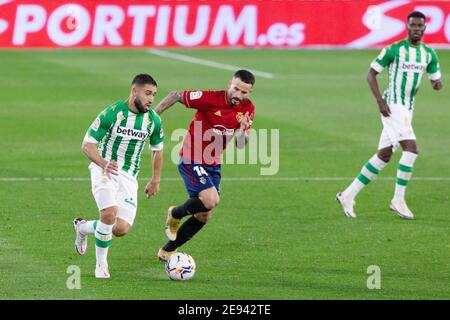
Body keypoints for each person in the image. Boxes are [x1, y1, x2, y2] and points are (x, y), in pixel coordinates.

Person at [337, 11, 442, 219]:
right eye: (413, 25)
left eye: (420, 26)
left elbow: (435, 79)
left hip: (408, 108)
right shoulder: (394, 50)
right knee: (411, 150)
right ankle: (398, 199)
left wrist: (436, 83)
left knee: (384, 155)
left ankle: (348, 195)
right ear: (407, 26)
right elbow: (371, 74)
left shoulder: (429, 54)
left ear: (425, 28)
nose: (416, 29)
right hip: (392, 106)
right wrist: (380, 101)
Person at [154, 70, 255, 261]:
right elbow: (176, 95)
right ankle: (175, 213)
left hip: (213, 163)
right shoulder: (210, 98)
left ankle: (167, 250)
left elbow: (240, 145)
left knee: (204, 215)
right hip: (191, 158)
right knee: (211, 200)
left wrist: (242, 131)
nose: (238, 95)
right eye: (236, 89)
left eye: (244, 92)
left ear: (249, 93)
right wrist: (153, 115)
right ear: (229, 84)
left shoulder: (248, 109)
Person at [73, 74, 164, 278]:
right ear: (134, 92)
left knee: (120, 228)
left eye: (154, 95)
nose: (151, 99)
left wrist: (155, 179)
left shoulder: (153, 121)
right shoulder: (113, 113)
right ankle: (101, 265)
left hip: (129, 176)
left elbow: (158, 149)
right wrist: (103, 163)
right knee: (109, 213)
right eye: (147, 93)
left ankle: (83, 227)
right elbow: (87, 145)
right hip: (103, 168)